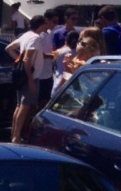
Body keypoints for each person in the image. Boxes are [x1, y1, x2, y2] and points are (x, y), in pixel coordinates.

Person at [11, 14, 55, 143]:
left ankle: (14, 133)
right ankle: (16, 137)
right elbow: (27, 58)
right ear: (42, 24)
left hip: (23, 75)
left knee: (19, 106)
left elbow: (9, 48)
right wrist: (31, 80)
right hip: (30, 75)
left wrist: (17, 60)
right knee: (24, 107)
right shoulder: (35, 38)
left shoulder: (26, 35)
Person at [52, 28, 81, 95]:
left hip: (59, 82)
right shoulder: (79, 54)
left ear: (66, 40)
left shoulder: (60, 51)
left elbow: (53, 59)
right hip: (73, 84)